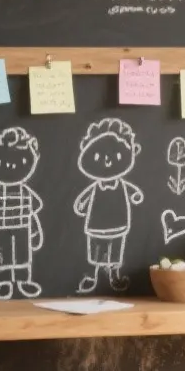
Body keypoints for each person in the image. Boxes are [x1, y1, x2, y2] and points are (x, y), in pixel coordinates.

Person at [72, 119, 143, 293]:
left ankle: (114, 275)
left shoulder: (122, 185)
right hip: (97, 226)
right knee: (97, 252)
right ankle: (93, 276)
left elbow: (133, 192)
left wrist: (135, 194)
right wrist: (81, 204)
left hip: (118, 225)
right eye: (97, 157)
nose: (108, 162)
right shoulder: (96, 186)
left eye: (117, 156)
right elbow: (84, 199)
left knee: (116, 254)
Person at [0, 127, 44, 299]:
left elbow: (32, 214)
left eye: (21, 162)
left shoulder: (26, 193)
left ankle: (23, 280)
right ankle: (4, 283)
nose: (10, 166)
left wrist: (35, 232)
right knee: (2, 256)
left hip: (23, 228)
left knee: (22, 254)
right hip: (0, 229)